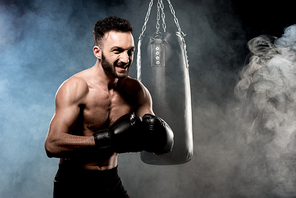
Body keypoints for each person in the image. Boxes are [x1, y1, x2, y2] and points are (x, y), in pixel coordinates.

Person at [44, 16, 174, 198]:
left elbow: (156, 146)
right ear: (98, 52)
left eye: (130, 51)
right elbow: (52, 145)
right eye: (117, 51)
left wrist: (163, 140)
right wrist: (106, 139)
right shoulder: (76, 88)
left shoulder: (136, 91)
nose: (126, 59)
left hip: (110, 180)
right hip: (74, 184)